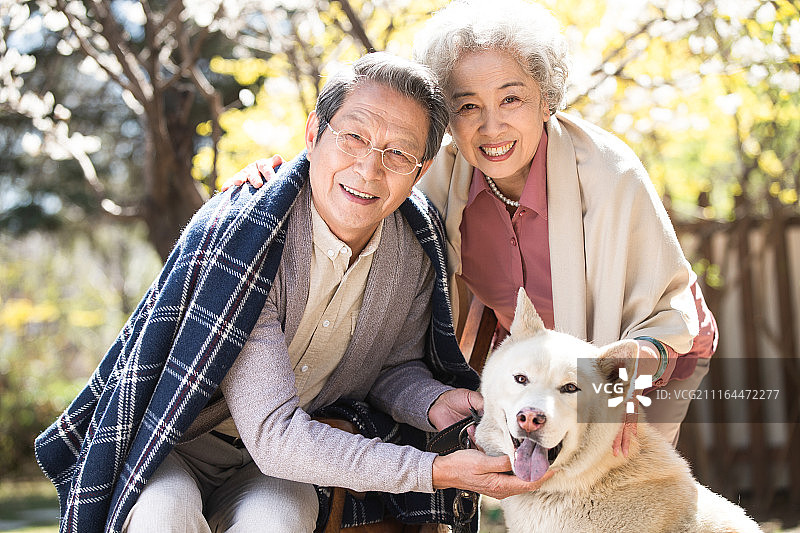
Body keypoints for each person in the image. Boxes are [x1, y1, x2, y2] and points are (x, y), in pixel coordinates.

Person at [35, 52, 547, 533]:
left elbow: (393, 368)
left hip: (283, 463)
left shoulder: (415, 248)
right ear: (313, 133)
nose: (369, 169)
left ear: (421, 169)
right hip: (177, 439)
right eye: (353, 138)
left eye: (398, 154)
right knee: (163, 514)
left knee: (279, 518)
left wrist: (435, 403)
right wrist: (434, 470)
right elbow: (275, 433)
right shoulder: (253, 237)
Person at [225, 0, 717, 455]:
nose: (490, 127)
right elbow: (359, 175)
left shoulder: (612, 177)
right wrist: (278, 179)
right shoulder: (435, 178)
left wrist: (620, 385)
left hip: (653, 351)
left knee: (621, 487)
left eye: (511, 100)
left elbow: (665, 316)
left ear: (546, 100)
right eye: (466, 106)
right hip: (544, 364)